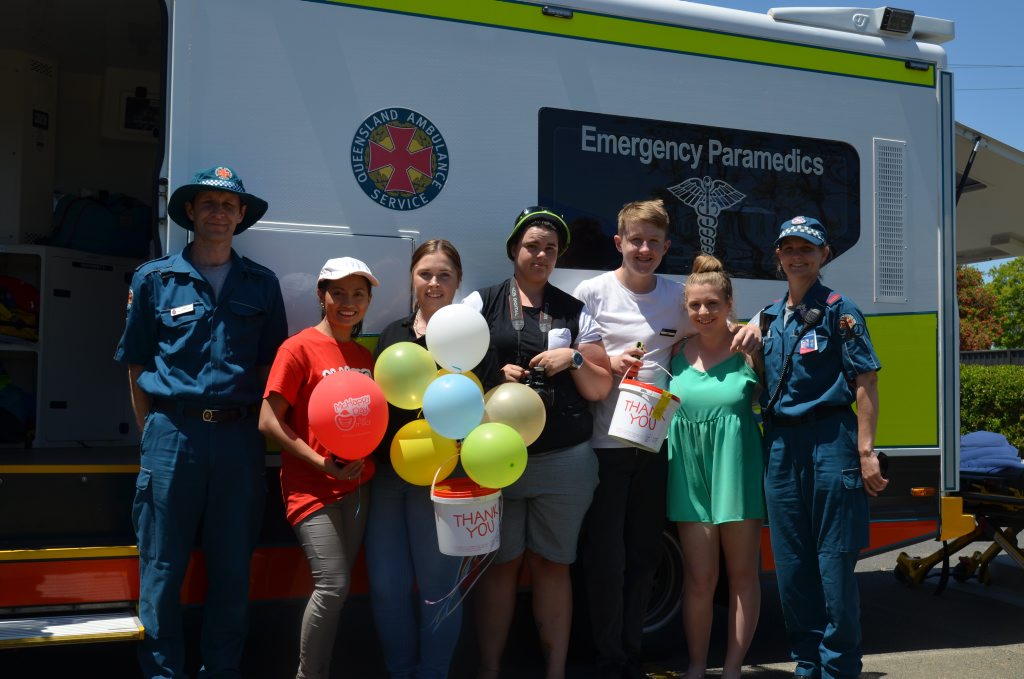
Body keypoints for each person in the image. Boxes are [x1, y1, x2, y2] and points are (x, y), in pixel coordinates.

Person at [114, 165, 288, 678]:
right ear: (190, 212)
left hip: (238, 440)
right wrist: (151, 435)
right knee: (162, 570)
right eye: (209, 204)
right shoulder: (154, 279)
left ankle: (222, 671)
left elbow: (268, 369)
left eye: (228, 206)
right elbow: (137, 363)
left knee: (232, 572)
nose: (219, 213)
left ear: (240, 217)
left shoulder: (262, 284)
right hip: (173, 436)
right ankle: (164, 673)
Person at [735, 216, 887, 679]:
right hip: (780, 443)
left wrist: (865, 452)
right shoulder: (767, 318)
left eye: (808, 248)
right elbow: (760, 387)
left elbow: (866, 382)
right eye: (789, 248)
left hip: (831, 442)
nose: (797, 256)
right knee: (791, 563)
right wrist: (752, 352)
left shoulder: (842, 311)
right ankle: (807, 663)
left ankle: (839, 667)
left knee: (834, 562)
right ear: (777, 256)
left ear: (824, 256)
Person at [464, 206, 613, 679]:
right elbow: (448, 368)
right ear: (514, 250)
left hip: (563, 461)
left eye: (550, 248)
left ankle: (555, 672)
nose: (541, 254)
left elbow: (599, 387)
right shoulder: (480, 303)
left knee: (553, 566)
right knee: (499, 567)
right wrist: (493, 373)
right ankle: (489, 671)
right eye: (532, 245)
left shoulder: (575, 310)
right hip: (497, 458)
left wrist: (572, 357)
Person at [572, 199, 691, 679]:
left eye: (654, 242)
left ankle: (631, 651)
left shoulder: (678, 296)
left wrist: (748, 331)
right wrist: (611, 364)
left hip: (654, 446)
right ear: (618, 243)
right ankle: (608, 657)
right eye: (635, 240)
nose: (644, 249)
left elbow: (708, 332)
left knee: (644, 552)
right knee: (605, 555)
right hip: (605, 447)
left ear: (666, 247)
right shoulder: (592, 291)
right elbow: (585, 355)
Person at [258, 257, 379, 679]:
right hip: (310, 488)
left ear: (368, 301)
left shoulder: (364, 354)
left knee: (338, 591)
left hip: (357, 487)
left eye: (358, 294)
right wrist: (320, 462)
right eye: (338, 293)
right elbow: (268, 420)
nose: (348, 303)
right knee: (333, 585)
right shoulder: (297, 348)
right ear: (320, 295)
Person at [365, 239, 466, 678]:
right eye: (426, 273)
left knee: (438, 587)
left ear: (458, 282)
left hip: (443, 478)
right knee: (386, 587)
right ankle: (400, 670)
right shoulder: (393, 334)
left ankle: (434, 672)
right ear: (412, 277)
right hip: (389, 476)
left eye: (444, 275)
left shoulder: (470, 334)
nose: (434, 282)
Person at [667, 254, 765, 679]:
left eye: (712, 304)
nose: (703, 313)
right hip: (688, 475)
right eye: (695, 305)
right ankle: (695, 667)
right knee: (699, 579)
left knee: (742, 576)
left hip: (736, 471)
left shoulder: (749, 351)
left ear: (729, 303)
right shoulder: (675, 352)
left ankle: (731, 668)